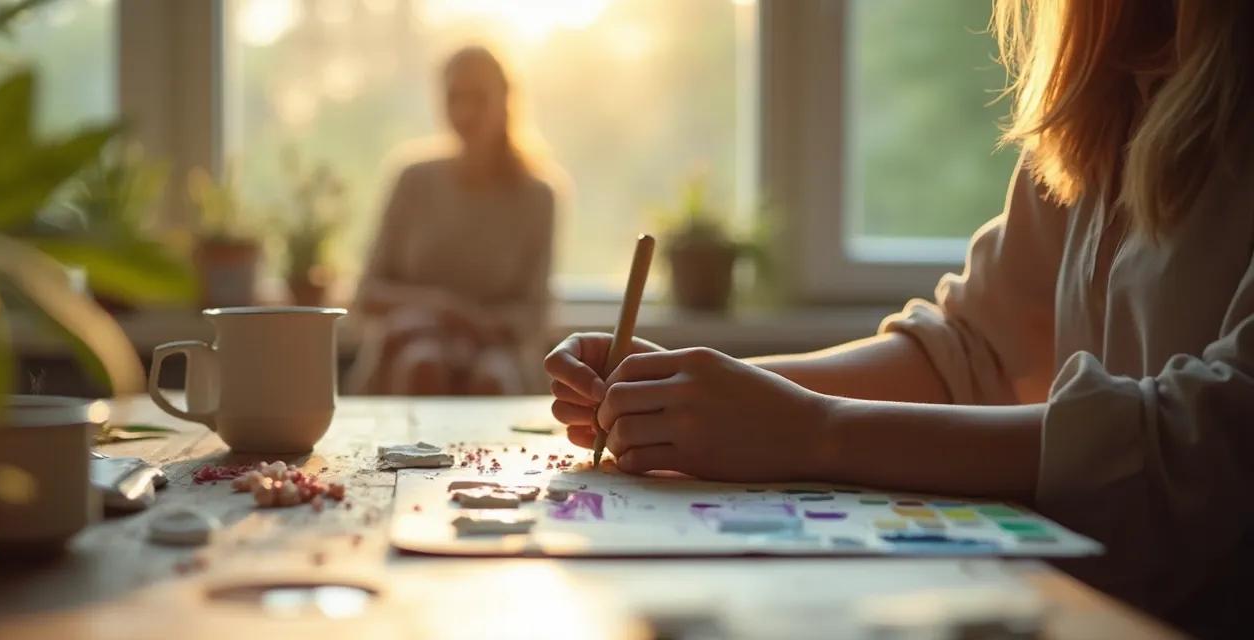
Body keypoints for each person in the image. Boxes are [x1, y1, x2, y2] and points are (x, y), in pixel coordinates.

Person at [543, 0, 1251, 634]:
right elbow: (969, 349)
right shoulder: (1106, 90)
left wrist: (815, 432)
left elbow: (1213, 436)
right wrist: (689, 392)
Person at [350, 45, 557, 396]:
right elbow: (366, 295)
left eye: (478, 98)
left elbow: (534, 314)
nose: (464, 112)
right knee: (423, 364)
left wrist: (472, 331)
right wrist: (441, 311)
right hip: (411, 342)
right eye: (454, 98)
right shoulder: (413, 180)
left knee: (491, 379)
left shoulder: (538, 196)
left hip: (496, 352)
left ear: (506, 100)